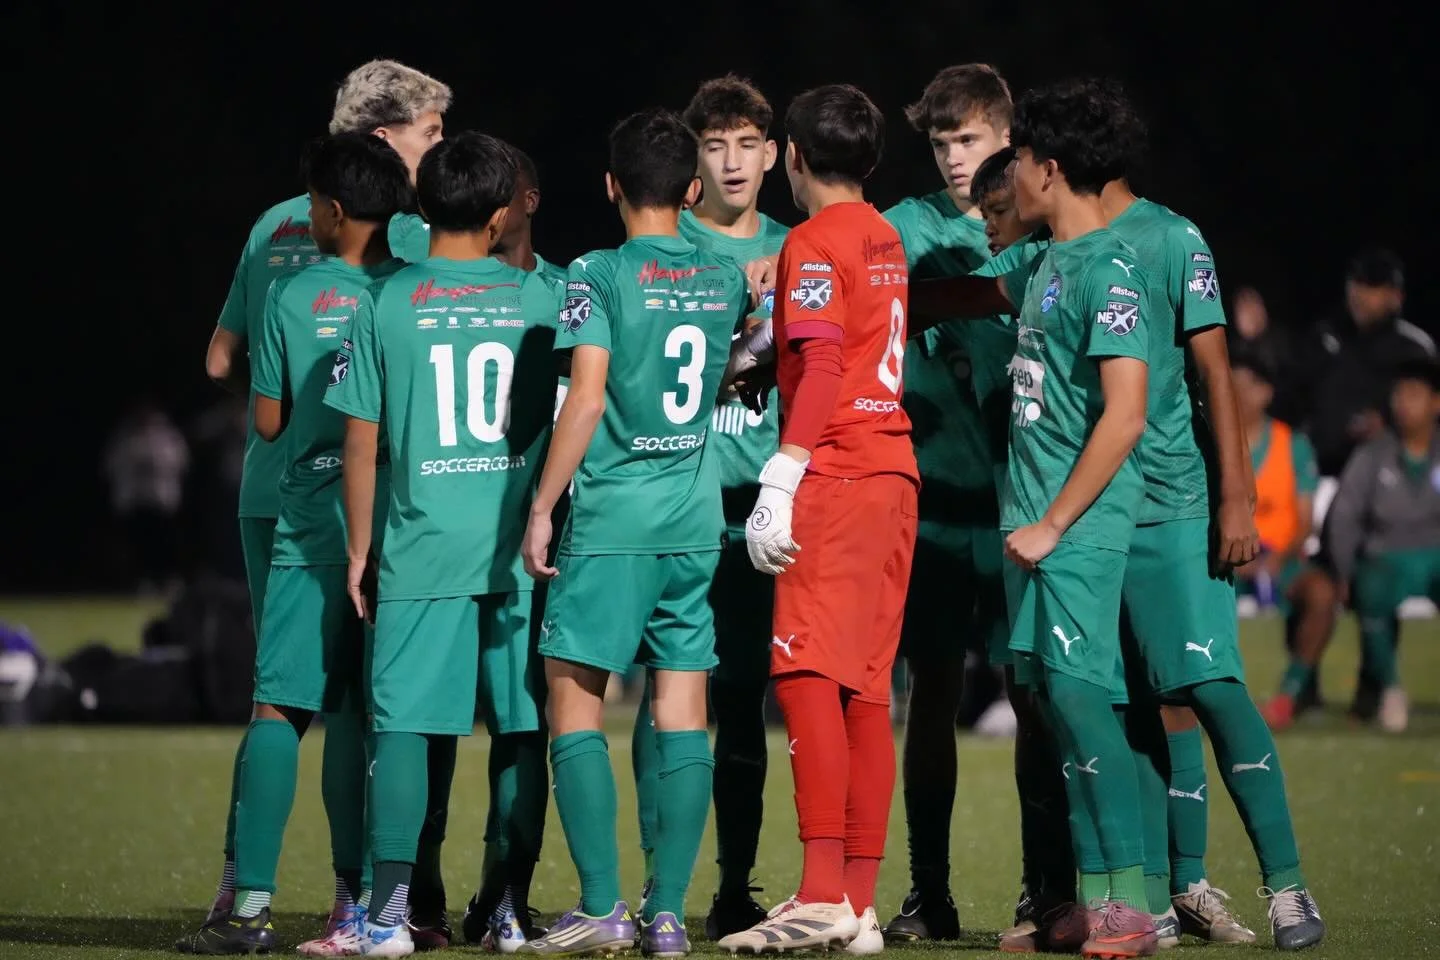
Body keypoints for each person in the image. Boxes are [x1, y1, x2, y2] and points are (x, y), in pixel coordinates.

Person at [198, 58, 452, 941]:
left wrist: (296, 400)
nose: (439, 149)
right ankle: (361, 900)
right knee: (358, 705)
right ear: (385, 138)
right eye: (430, 132)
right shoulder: (420, 246)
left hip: (280, 500)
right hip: (389, 510)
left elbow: (222, 362)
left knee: (280, 695)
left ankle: (242, 894)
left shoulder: (278, 229)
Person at [516, 108, 749, 959]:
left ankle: (603, 904)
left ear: (610, 185)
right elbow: (729, 360)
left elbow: (584, 396)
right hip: (693, 521)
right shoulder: (723, 276)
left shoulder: (598, 273)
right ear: (692, 189)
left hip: (615, 520)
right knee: (683, 708)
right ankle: (668, 915)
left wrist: (544, 506)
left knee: (572, 700)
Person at [325, 132, 561, 958]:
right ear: (502, 214)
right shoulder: (543, 299)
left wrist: (360, 551)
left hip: (419, 548)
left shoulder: (385, 300)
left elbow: (362, 442)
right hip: (518, 556)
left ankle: (387, 916)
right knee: (521, 730)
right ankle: (505, 907)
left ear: (423, 208)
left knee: (402, 730)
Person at [718, 83, 917, 956]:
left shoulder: (808, 238)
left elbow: (828, 363)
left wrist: (781, 471)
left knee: (802, 677)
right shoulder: (883, 235)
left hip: (835, 469)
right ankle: (860, 906)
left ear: (791, 158)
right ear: (870, 163)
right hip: (894, 470)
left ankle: (818, 893)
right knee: (867, 690)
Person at [628, 74, 790, 941]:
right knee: (666, 697)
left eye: (745, 143)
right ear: (693, 160)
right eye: (713, 144)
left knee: (741, 703)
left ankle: (733, 884)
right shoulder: (659, 241)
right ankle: (660, 887)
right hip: (669, 503)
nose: (730, 160)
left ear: (772, 154)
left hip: (757, 515)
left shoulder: (798, 248)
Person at [877, 64, 1026, 943]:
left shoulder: (1040, 225)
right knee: (929, 692)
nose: (954, 158)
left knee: (1036, 696)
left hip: (1025, 511)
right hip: (931, 508)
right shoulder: (902, 228)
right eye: (939, 143)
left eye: (968, 138)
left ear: (1006, 134)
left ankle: (1045, 888)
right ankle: (928, 893)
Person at [457, 139, 564, 954]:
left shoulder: (569, 295)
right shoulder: (437, 296)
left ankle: (507, 893)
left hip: (530, 555)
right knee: (420, 729)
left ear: (527, 199)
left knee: (522, 730)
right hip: (443, 545)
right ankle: (415, 893)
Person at [1225, 350, 1341, 734]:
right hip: (1224, 556)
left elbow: (1306, 523)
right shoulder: (1212, 441)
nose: (1239, 395)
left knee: (1323, 594)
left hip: (1281, 558)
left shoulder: (1292, 445)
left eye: (1248, 387)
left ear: (1267, 392)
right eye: (1233, 386)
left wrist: (1276, 561)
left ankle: (1287, 696)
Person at [1322, 358, 1440, 734]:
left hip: (1436, 557)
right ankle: (1390, 690)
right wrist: (1342, 570)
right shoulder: (1373, 453)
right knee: (1369, 588)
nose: (1404, 403)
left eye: (1415, 395)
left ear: (1436, 403)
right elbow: (1344, 516)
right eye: (1399, 394)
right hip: (1385, 559)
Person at [1289, 248, 1433, 477]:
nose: (1360, 294)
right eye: (1356, 283)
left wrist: (1387, 423)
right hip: (1321, 474)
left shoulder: (1414, 349)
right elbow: (1290, 399)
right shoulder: (1325, 336)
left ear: (1396, 297)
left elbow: (1429, 417)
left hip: (1392, 477)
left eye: (1372, 286)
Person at [102, 400, 189, 595]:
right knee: (139, 545)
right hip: (136, 501)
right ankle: (142, 581)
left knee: (165, 543)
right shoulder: (125, 436)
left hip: (162, 501)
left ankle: (168, 581)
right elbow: (111, 465)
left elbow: (181, 461)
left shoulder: (167, 437)